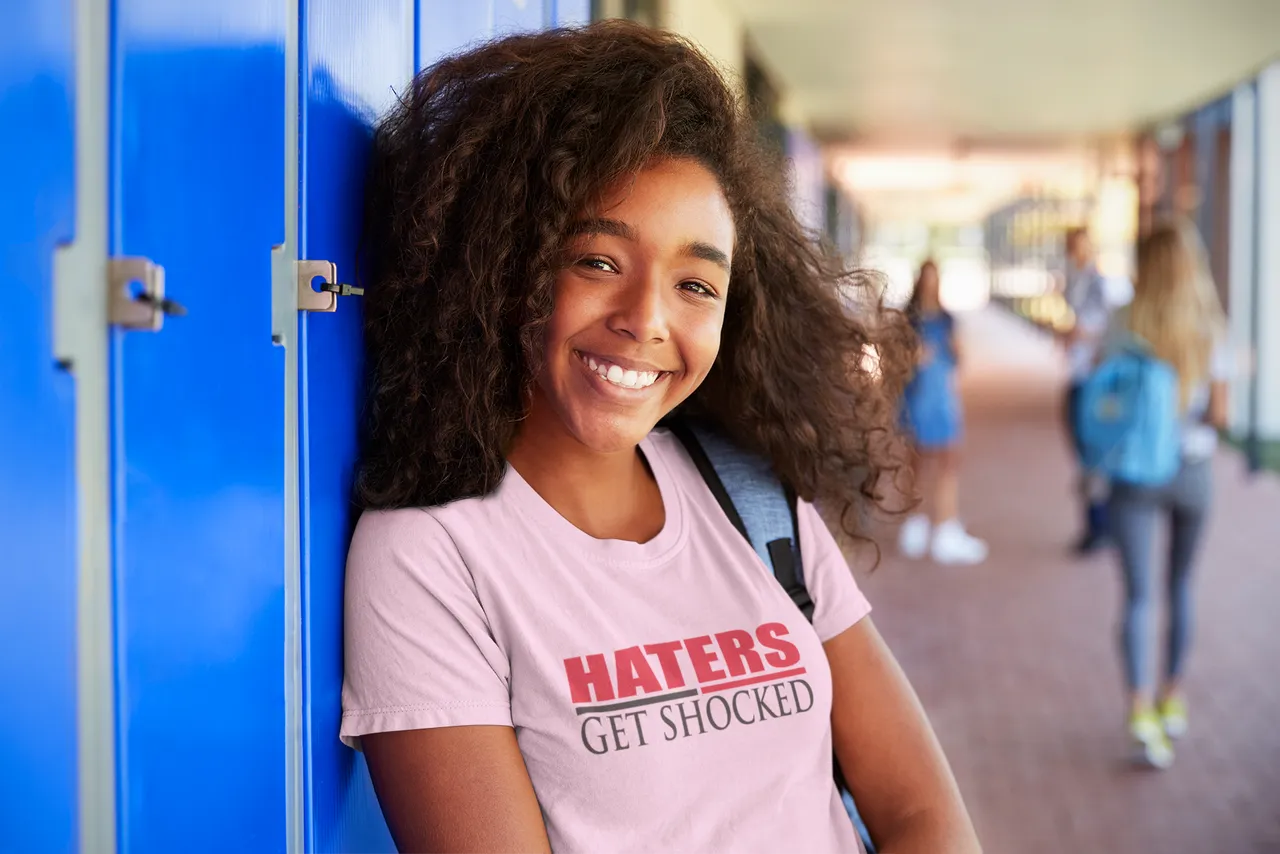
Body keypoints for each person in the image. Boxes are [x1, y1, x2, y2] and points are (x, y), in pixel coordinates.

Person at [340, 20, 981, 854]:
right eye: (598, 262)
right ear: (506, 262)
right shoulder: (432, 559)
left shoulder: (751, 497)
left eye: (694, 283)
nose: (647, 320)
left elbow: (924, 816)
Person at [1102, 220, 1231, 769]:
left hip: (1134, 473)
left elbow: (1104, 398)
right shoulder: (1210, 325)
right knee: (1180, 585)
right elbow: (1220, 414)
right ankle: (1171, 698)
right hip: (1193, 471)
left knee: (1137, 596)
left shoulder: (1124, 320)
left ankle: (1138, 712)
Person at [896, 261, 987, 565]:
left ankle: (944, 524)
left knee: (948, 462)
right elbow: (893, 362)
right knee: (917, 464)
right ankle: (919, 523)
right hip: (917, 399)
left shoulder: (947, 321)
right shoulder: (908, 320)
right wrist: (913, 357)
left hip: (942, 400)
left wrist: (954, 349)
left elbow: (959, 360)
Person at [1061, 227, 1114, 554]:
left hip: (1093, 379)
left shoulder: (1098, 283)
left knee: (1092, 453)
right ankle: (1096, 521)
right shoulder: (1075, 279)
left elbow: (1100, 328)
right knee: (1084, 453)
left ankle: (1100, 523)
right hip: (1079, 374)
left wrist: (1081, 335)